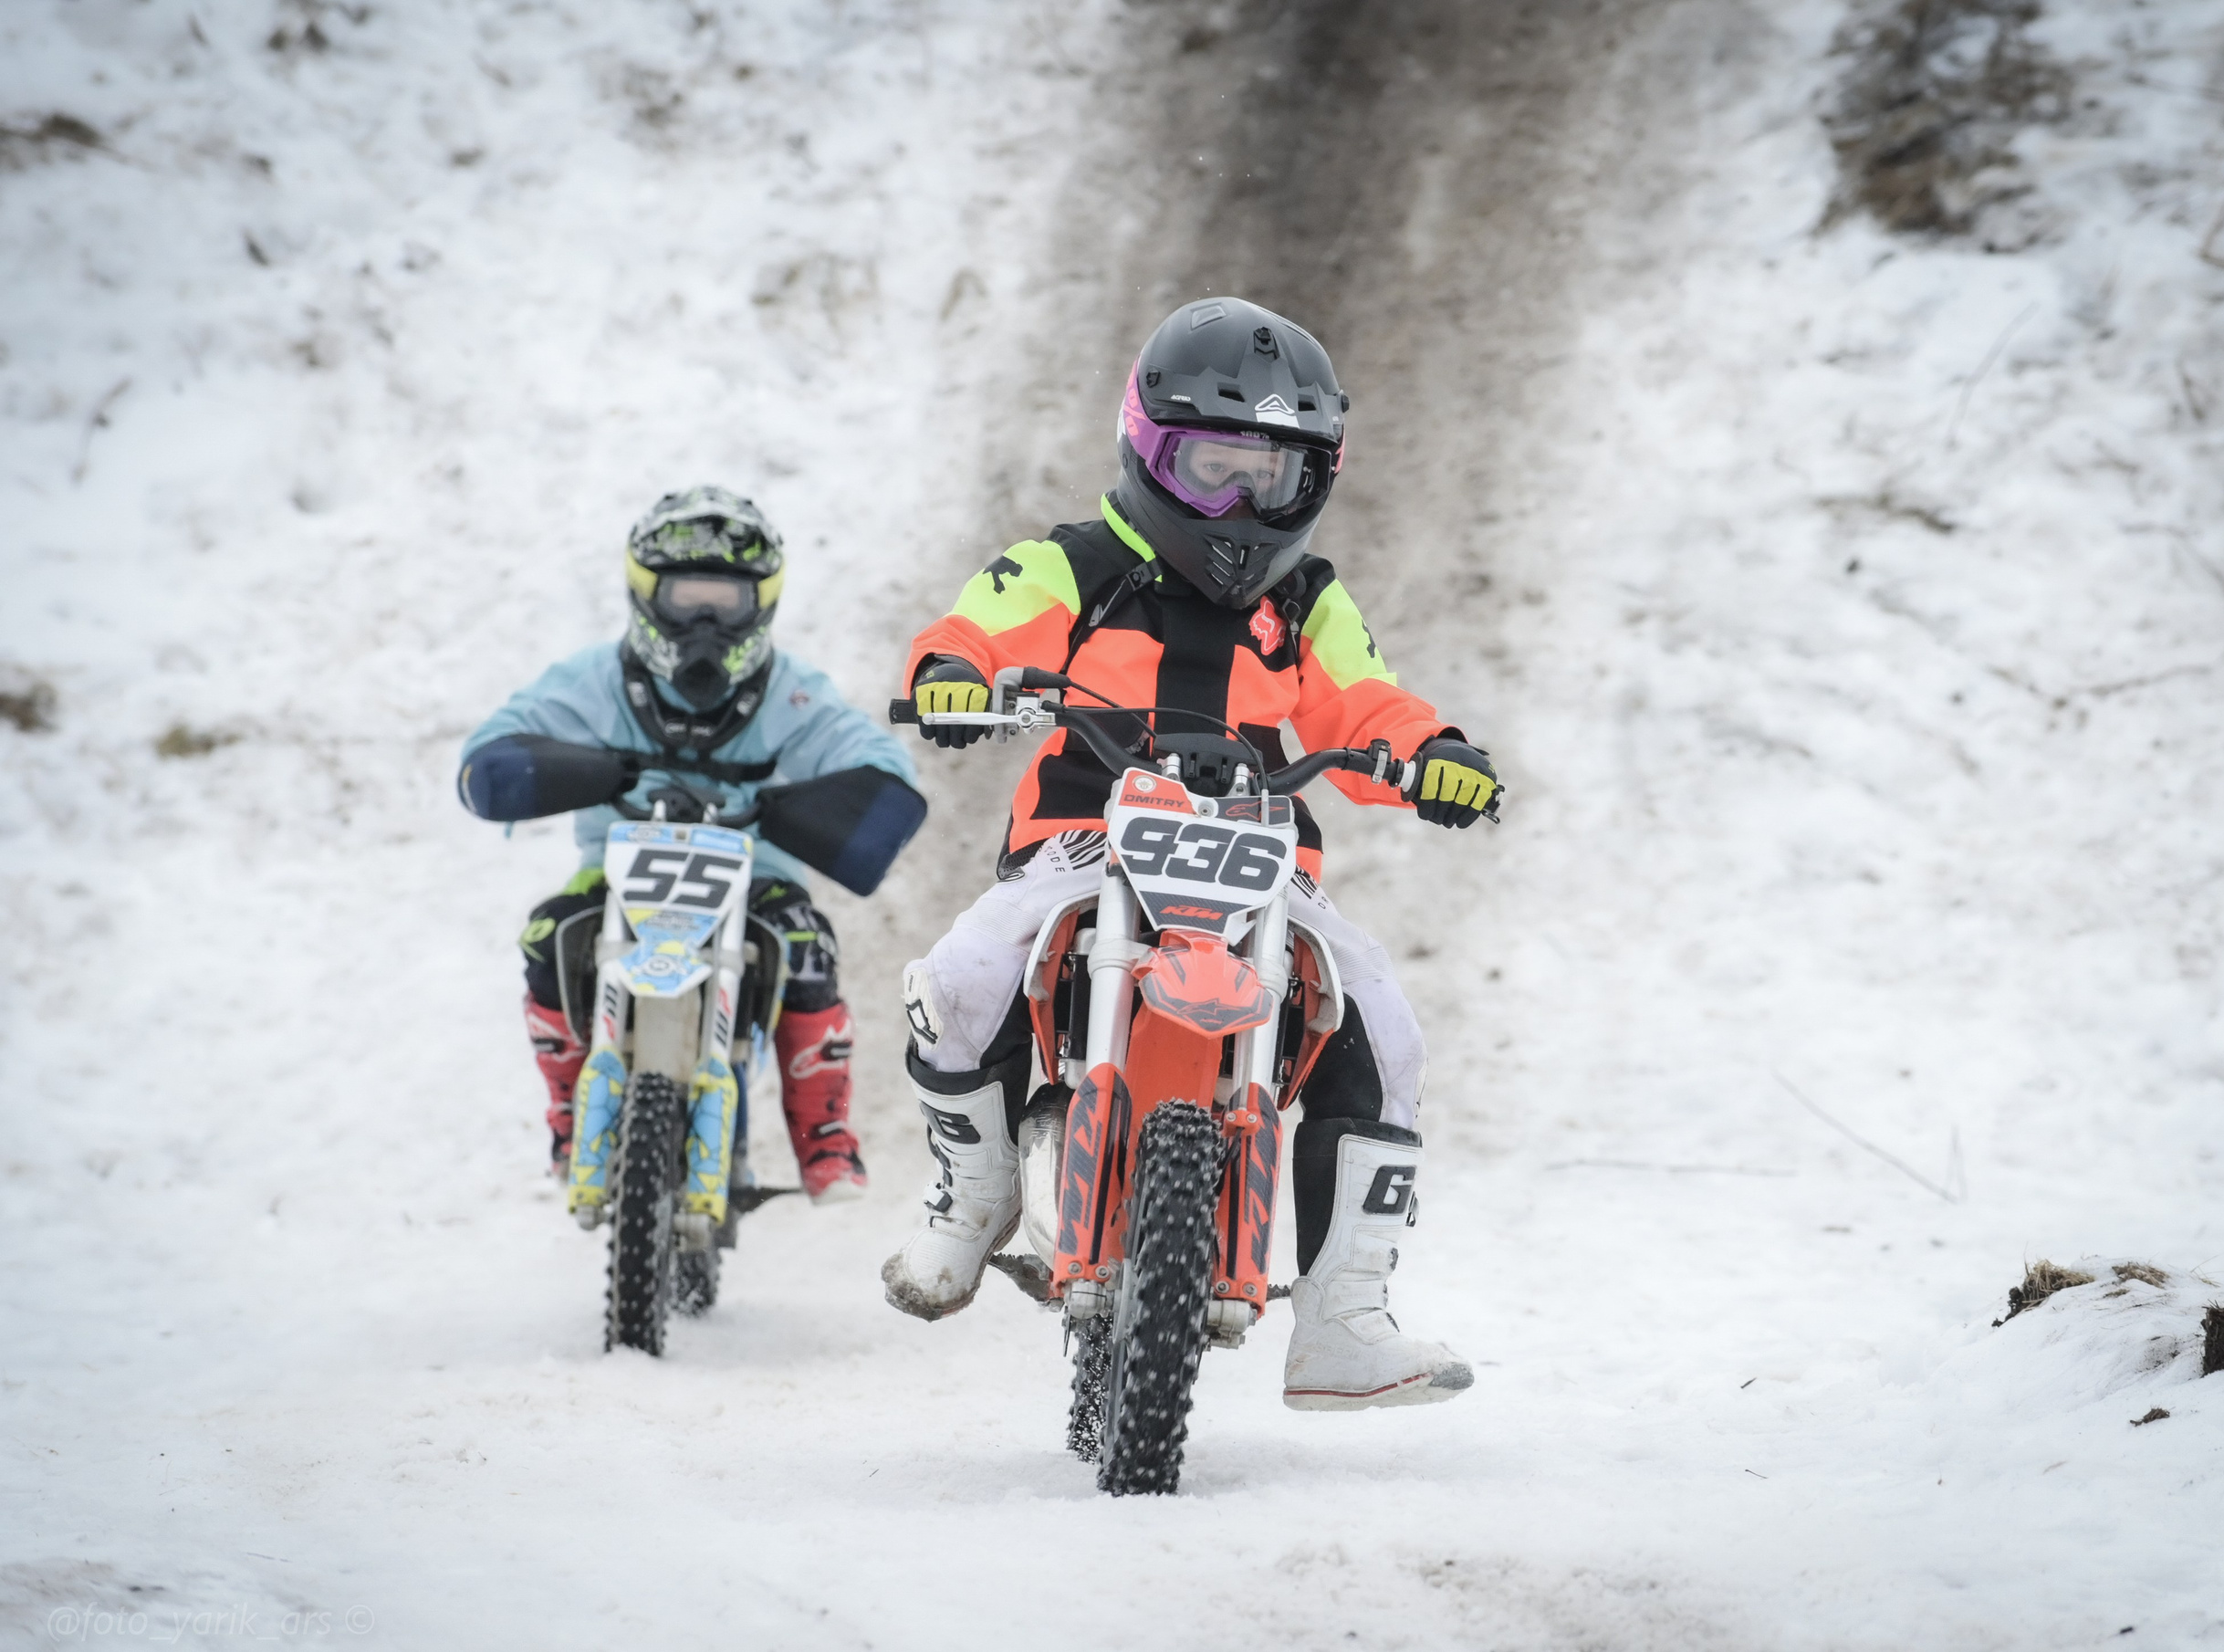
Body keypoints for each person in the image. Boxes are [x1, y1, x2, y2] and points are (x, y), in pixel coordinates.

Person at [882, 298, 1499, 1410]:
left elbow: (1365, 701)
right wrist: (953, 672)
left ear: (1317, 480)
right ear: (1147, 447)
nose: (1240, 502)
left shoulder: (1306, 602)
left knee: (1385, 1030)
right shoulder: (1074, 563)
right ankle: (973, 1197)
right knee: (962, 975)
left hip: (1261, 861)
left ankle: (1344, 1316)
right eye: (1213, 467)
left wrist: (1430, 752)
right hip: (1082, 841)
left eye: (1273, 477)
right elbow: (983, 620)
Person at [457, 486, 918, 1207]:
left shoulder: (792, 693)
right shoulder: (590, 682)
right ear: (646, 596)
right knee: (549, 938)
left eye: (725, 602)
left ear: (762, 602)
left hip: (756, 877)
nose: (705, 622)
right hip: (613, 876)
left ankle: (824, 1139)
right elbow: (491, 748)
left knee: (808, 951)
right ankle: (571, 1116)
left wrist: (811, 805)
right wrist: (563, 771)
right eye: (687, 598)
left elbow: (881, 765)